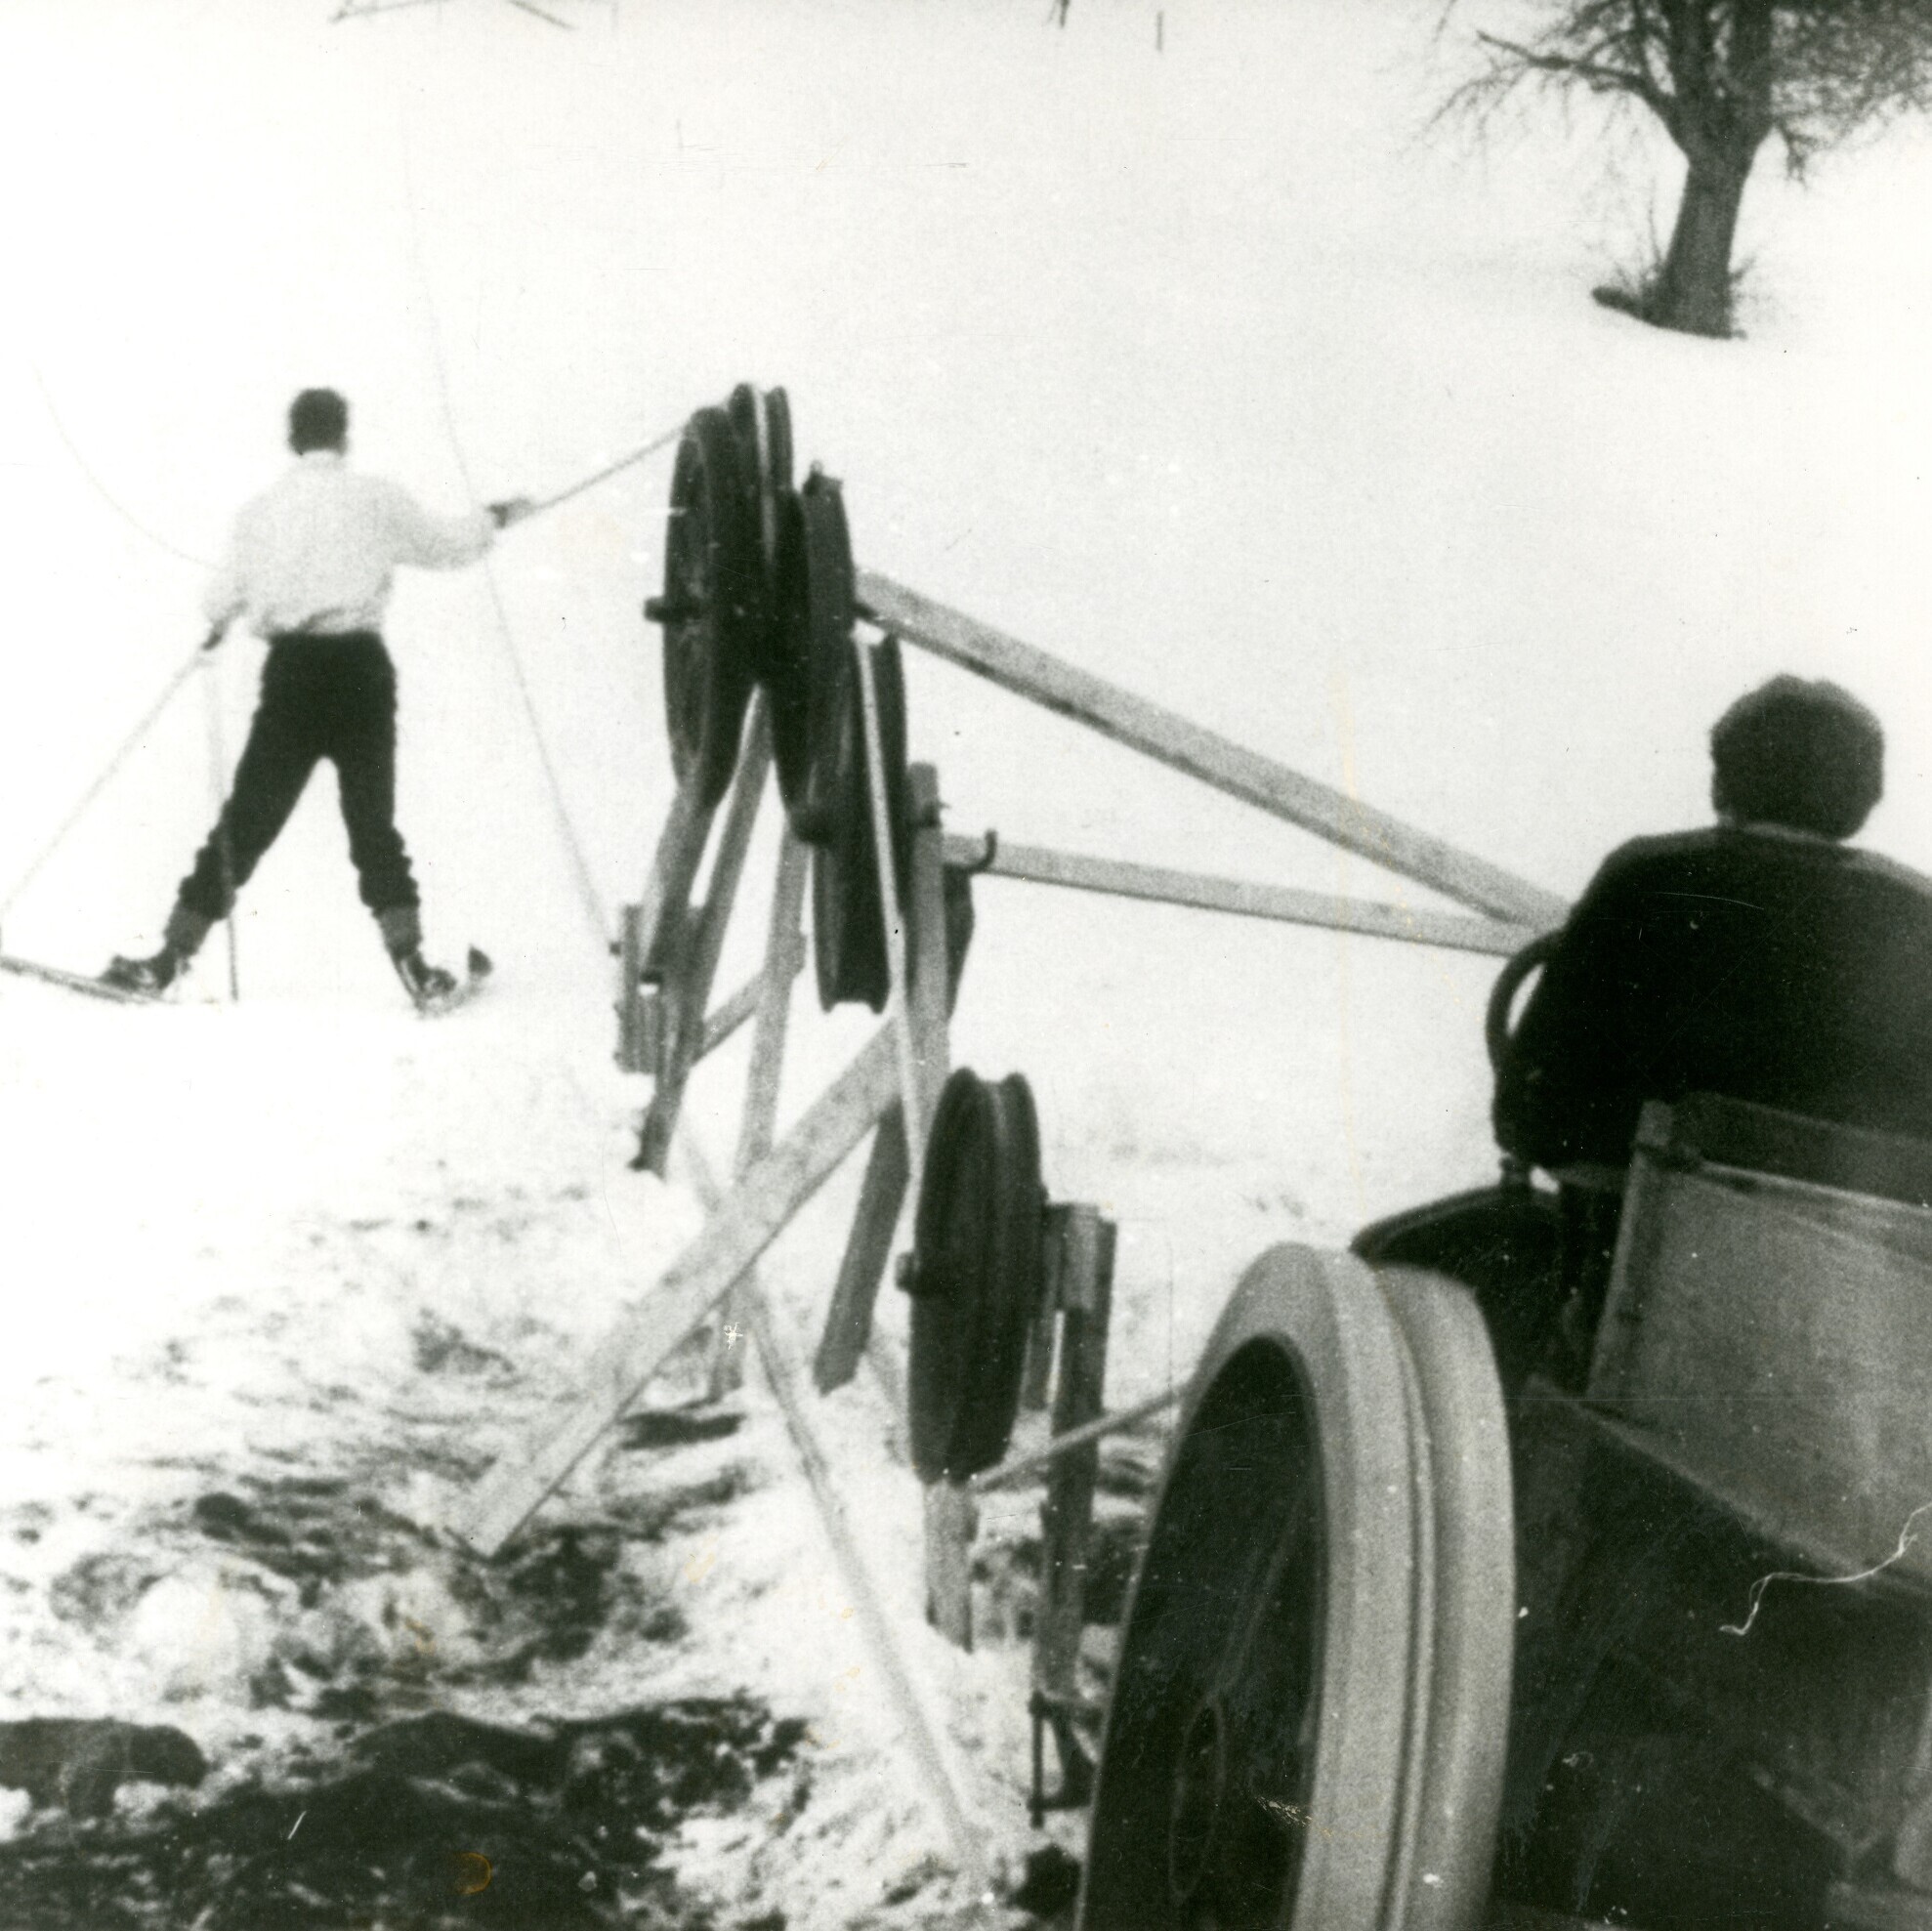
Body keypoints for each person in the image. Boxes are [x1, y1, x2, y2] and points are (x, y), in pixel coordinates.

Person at [104, 389, 530, 1006]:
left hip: (294, 678)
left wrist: (232, 613)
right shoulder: (375, 498)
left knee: (246, 821)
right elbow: (448, 547)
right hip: (360, 672)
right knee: (372, 825)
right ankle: (414, 967)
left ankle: (168, 959)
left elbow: (216, 599)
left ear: (293, 439)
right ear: (343, 436)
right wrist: (496, 516)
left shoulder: (261, 512)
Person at [1494, 675, 1932, 1175]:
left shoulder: (1643, 874)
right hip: (1855, 1238)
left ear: (1722, 782)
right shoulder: (1919, 912)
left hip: (1640, 1227)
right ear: (1865, 798)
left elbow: (1526, 1112)